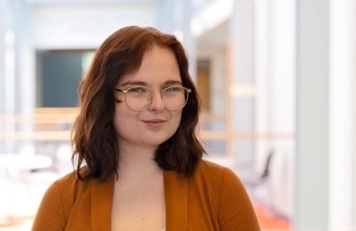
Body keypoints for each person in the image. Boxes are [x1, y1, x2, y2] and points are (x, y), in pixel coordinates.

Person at [31, 25, 261, 231]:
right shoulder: (62, 199)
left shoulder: (221, 188)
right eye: (138, 90)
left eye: (170, 89)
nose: (158, 105)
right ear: (104, 99)